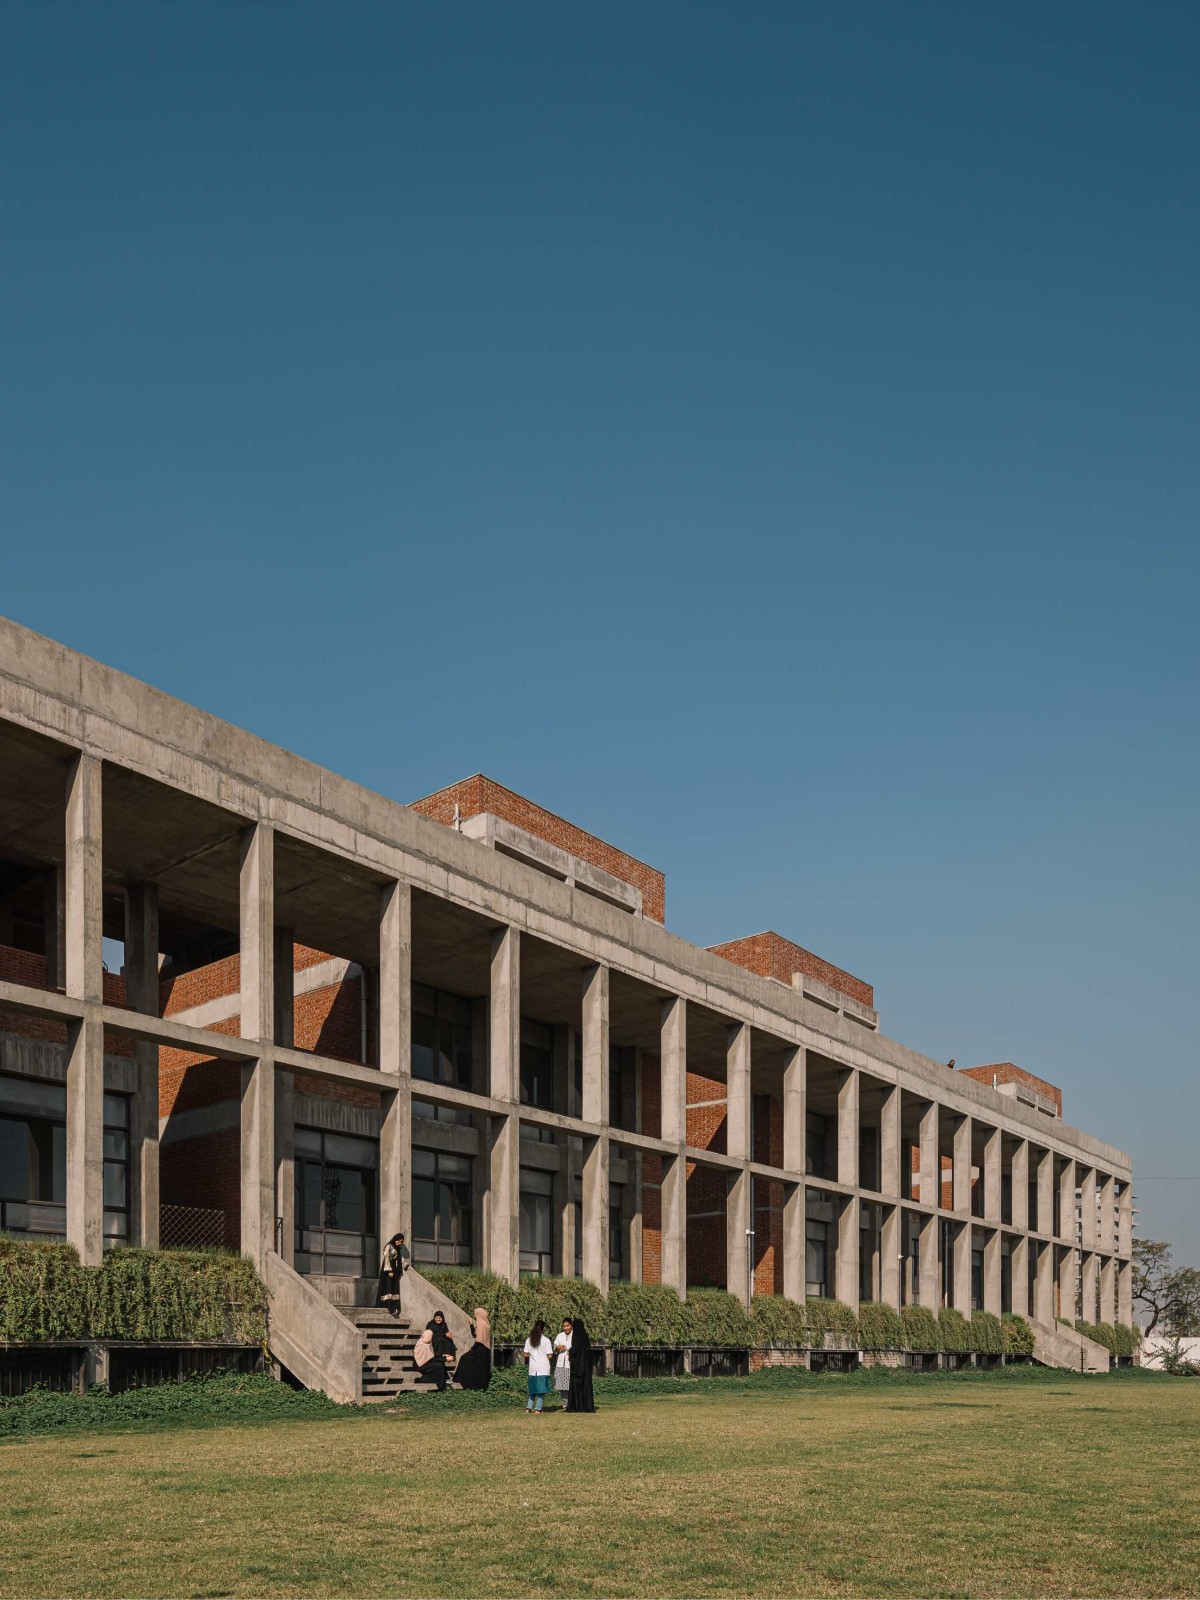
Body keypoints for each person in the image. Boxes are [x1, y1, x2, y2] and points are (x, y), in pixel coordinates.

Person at [454, 1307, 493, 1392]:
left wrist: (472, 1348)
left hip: (480, 1348)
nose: (475, 1315)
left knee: (464, 1359)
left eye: (476, 1314)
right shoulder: (486, 1324)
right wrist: (471, 1324)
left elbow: (479, 1340)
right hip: (485, 1350)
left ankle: (460, 1380)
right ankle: (480, 1387)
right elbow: (475, 1334)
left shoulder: (481, 1325)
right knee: (479, 1368)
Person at [522, 1319, 555, 1416]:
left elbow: (525, 1354)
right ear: (543, 1329)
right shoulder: (546, 1340)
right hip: (543, 1368)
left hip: (533, 1368)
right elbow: (549, 1356)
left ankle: (528, 1408)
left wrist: (532, 1355)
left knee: (532, 1389)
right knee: (541, 1390)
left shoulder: (529, 1340)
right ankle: (538, 1409)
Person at [567, 1316, 595, 1413]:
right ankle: (586, 1405)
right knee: (586, 1386)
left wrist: (570, 1351)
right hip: (586, 1367)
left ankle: (576, 1406)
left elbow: (574, 1350)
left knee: (576, 1385)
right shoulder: (585, 1337)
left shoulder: (576, 1337)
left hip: (577, 1367)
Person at [376, 1232, 409, 1314]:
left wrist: (407, 1266)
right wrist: (389, 1271)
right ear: (395, 1239)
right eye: (399, 1240)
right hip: (388, 1270)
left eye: (401, 1242)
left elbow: (400, 1258)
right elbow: (386, 1258)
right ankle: (387, 1305)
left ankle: (394, 1306)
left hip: (395, 1270)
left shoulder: (397, 1248)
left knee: (394, 1288)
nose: (399, 1243)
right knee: (388, 1287)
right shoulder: (389, 1246)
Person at [412, 1326, 448, 1392]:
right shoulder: (423, 1345)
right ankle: (441, 1387)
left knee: (440, 1364)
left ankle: (443, 1383)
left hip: (425, 1363)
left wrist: (443, 1356)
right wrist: (444, 1359)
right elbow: (431, 1358)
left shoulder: (426, 1342)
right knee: (439, 1365)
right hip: (421, 1365)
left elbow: (431, 1354)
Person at [553, 1318, 573, 1408]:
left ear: (571, 1326)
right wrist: (558, 1347)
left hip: (571, 1363)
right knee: (562, 1384)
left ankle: (572, 1402)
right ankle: (565, 1403)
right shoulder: (560, 1335)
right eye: (564, 1326)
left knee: (570, 1384)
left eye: (567, 1326)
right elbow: (554, 1349)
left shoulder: (575, 1335)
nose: (566, 1328)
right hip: (561, 1362)